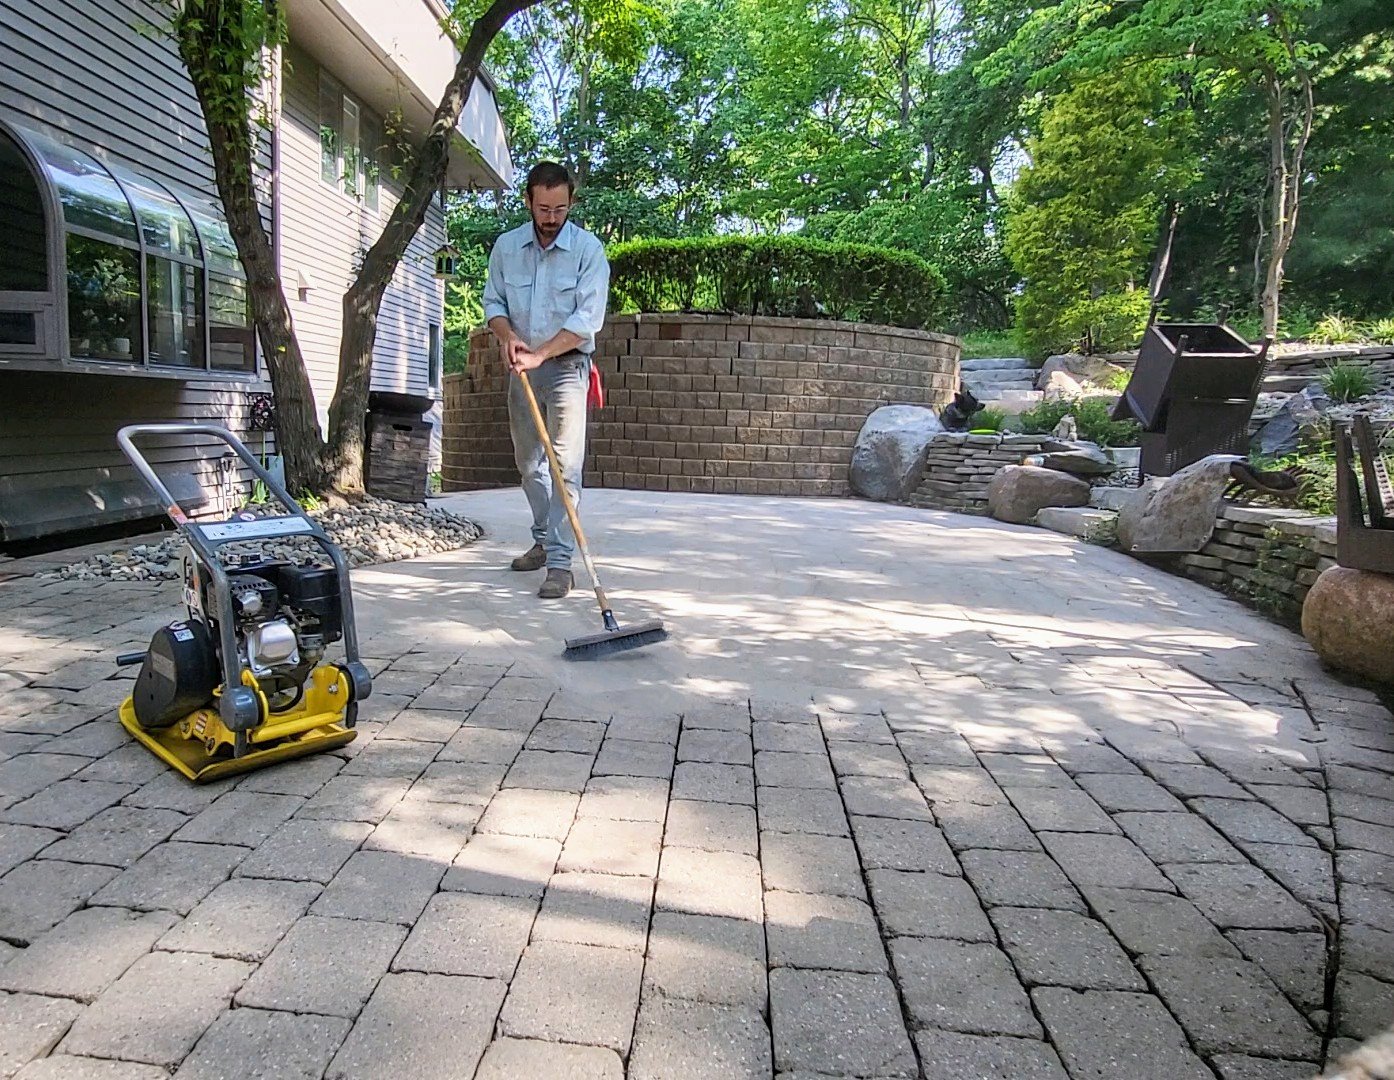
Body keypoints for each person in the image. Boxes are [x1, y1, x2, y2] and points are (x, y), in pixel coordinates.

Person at [482, 162, 610, 599]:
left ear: (571, 202)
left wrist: (542, 353)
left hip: (566, 369)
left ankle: (559, 563)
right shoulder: (506, 247)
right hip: (522, 370)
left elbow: (586, 321)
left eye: (560, 208)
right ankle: (544, 536)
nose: (551, 218)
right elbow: (494, 302)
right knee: (528, 463)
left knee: (565, 466)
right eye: (543, 208)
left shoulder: (588, 252)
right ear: (529, 203)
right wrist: (509, 338)